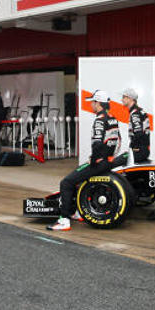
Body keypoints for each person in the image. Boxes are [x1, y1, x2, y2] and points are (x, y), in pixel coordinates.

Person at [47, 89, 120, 231]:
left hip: (100, 162)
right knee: (79, 180)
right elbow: (118, 141)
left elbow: (97, 143)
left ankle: (64, 220)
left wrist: (93, 161)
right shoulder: (113, 118)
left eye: (93, 102)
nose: (91, 105)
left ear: (98, 103)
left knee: (66, 182)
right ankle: (78, 212)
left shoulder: (100, 120)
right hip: (109, 161)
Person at [121, 87, 151, 162]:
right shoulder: (139, 111)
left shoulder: (135, 113)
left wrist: (132, 147)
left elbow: (138, 133)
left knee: (114, 163)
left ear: (130, 98)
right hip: (143, 150)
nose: (122, 100)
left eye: (124, 97)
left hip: (139, 151)